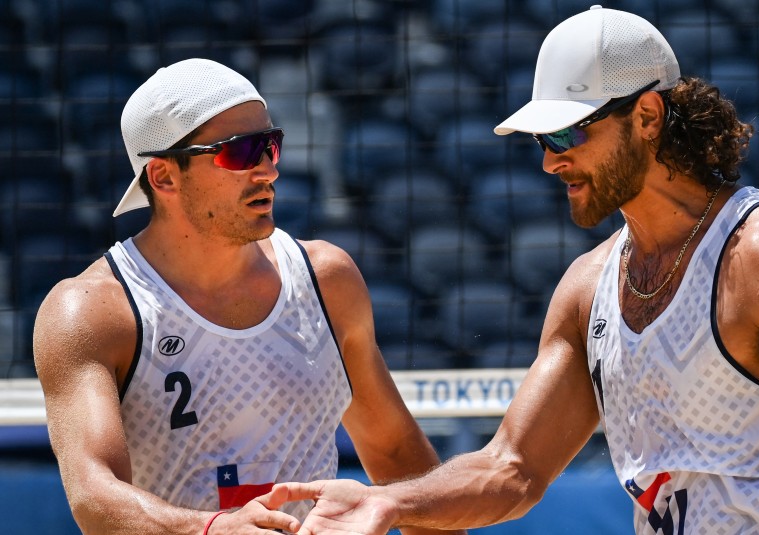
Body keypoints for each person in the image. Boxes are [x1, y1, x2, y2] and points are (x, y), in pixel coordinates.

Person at [267, 6, 759, 534]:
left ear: (647, 116)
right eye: (541, 140)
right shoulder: (589, 288)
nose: (550, 161)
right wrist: (387, 503)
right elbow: (512, 469)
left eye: (567, 135)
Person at [32, 58, 464, 535]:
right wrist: (215, 528)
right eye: (239, 153)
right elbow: (94, 495)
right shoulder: (93, 310)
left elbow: (398, 458)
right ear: (163, 177)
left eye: (270, 146)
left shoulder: (327, 279)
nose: (268, 171)